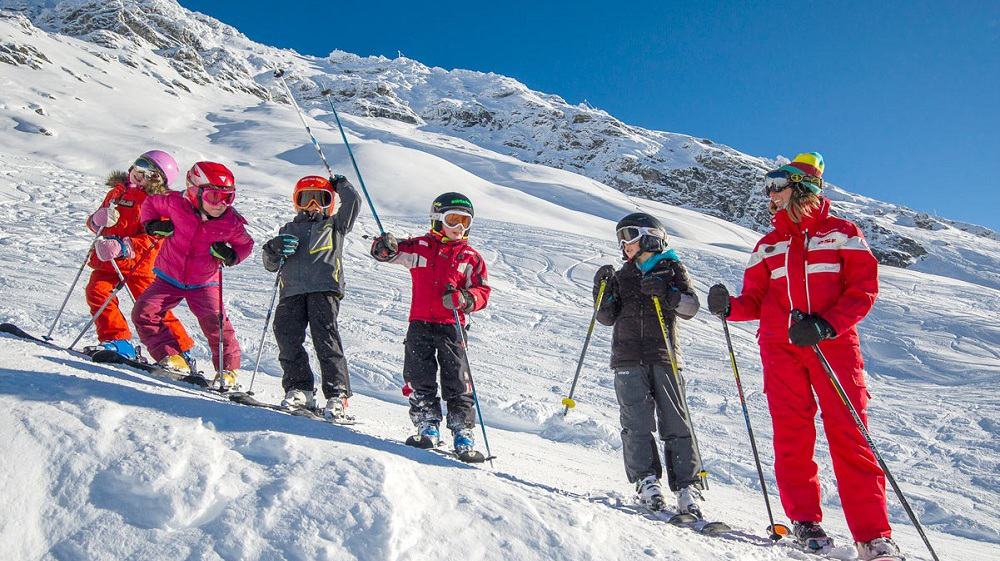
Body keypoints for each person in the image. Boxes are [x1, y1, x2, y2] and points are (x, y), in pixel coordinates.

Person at [707, 153, 899, 560]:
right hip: (780, 349)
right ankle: (805, 522)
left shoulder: (842, 233)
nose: (769, 194)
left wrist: (828, 325)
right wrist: (730, 308)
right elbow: (756, 300)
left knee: (851, 436)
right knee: (792, 437)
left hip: (832, 345)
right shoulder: (768, 245)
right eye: (768, 188)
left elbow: (863, 289)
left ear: (802, 186)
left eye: (777, 185)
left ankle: (873, 535)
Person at [593, 212, 706, 517]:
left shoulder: (671, 268)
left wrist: (670, 294)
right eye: (620, 237)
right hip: (627, 357)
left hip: (663, 354)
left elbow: (690, 307)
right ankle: (646, 481)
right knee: (636, 422)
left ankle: (687, 486)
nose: (623, 243)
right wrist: (602, 292)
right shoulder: (623, 274)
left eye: (628, 235)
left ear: (649, 235)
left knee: (676, 421)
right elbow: (606, 318)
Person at [369, 192, 490, 455]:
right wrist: (383, 247)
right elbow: (392, 252)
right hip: (420, 324)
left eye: (465, 222)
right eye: (453, 219)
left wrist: (464, 298)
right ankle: (427, 424)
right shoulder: (421, 247)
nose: (459, 227)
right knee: (418, 375)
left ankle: (462, 431)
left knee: (458, 380)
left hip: (453, 326)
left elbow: (482, 293)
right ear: (437, 219)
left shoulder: (470, 256)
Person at [132, 161, 254, 389]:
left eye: (228, 198)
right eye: (214, 197)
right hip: (169, 276)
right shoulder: (175, 203)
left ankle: (227, 371)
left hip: (204, 282)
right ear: (194, 191)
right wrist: (151, 225)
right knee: (144, 312)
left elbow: (245, 245)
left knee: (216, 324)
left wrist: (231, 255)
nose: (221, 205)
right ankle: (171, 356)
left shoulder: (230, 222)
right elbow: (150, 204)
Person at [262, 174, 361, 420]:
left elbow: (354, 203)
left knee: (325, 338)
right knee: (286, 335)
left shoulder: (334, 226)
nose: (313, 205)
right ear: (297, 202)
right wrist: (273, 249)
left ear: (330, 202)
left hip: (324, 288)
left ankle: (337, 394)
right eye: (306, 198)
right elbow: (270, 264)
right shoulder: (287, 229)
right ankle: (300, 388)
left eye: (321, 198)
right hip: (292, 290)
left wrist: (342, 186)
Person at [83, 150, 193, 359]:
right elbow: (94, 223)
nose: (140, 176)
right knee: (97, 291)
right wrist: (97, 220)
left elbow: (155, 238)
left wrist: (125, 246)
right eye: (139, 167)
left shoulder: (159, 202)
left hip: (140, 265)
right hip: (109, 261)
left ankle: (178, 351)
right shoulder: (117, 192)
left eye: (150, 175)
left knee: (150, 308)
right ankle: (117, 341)